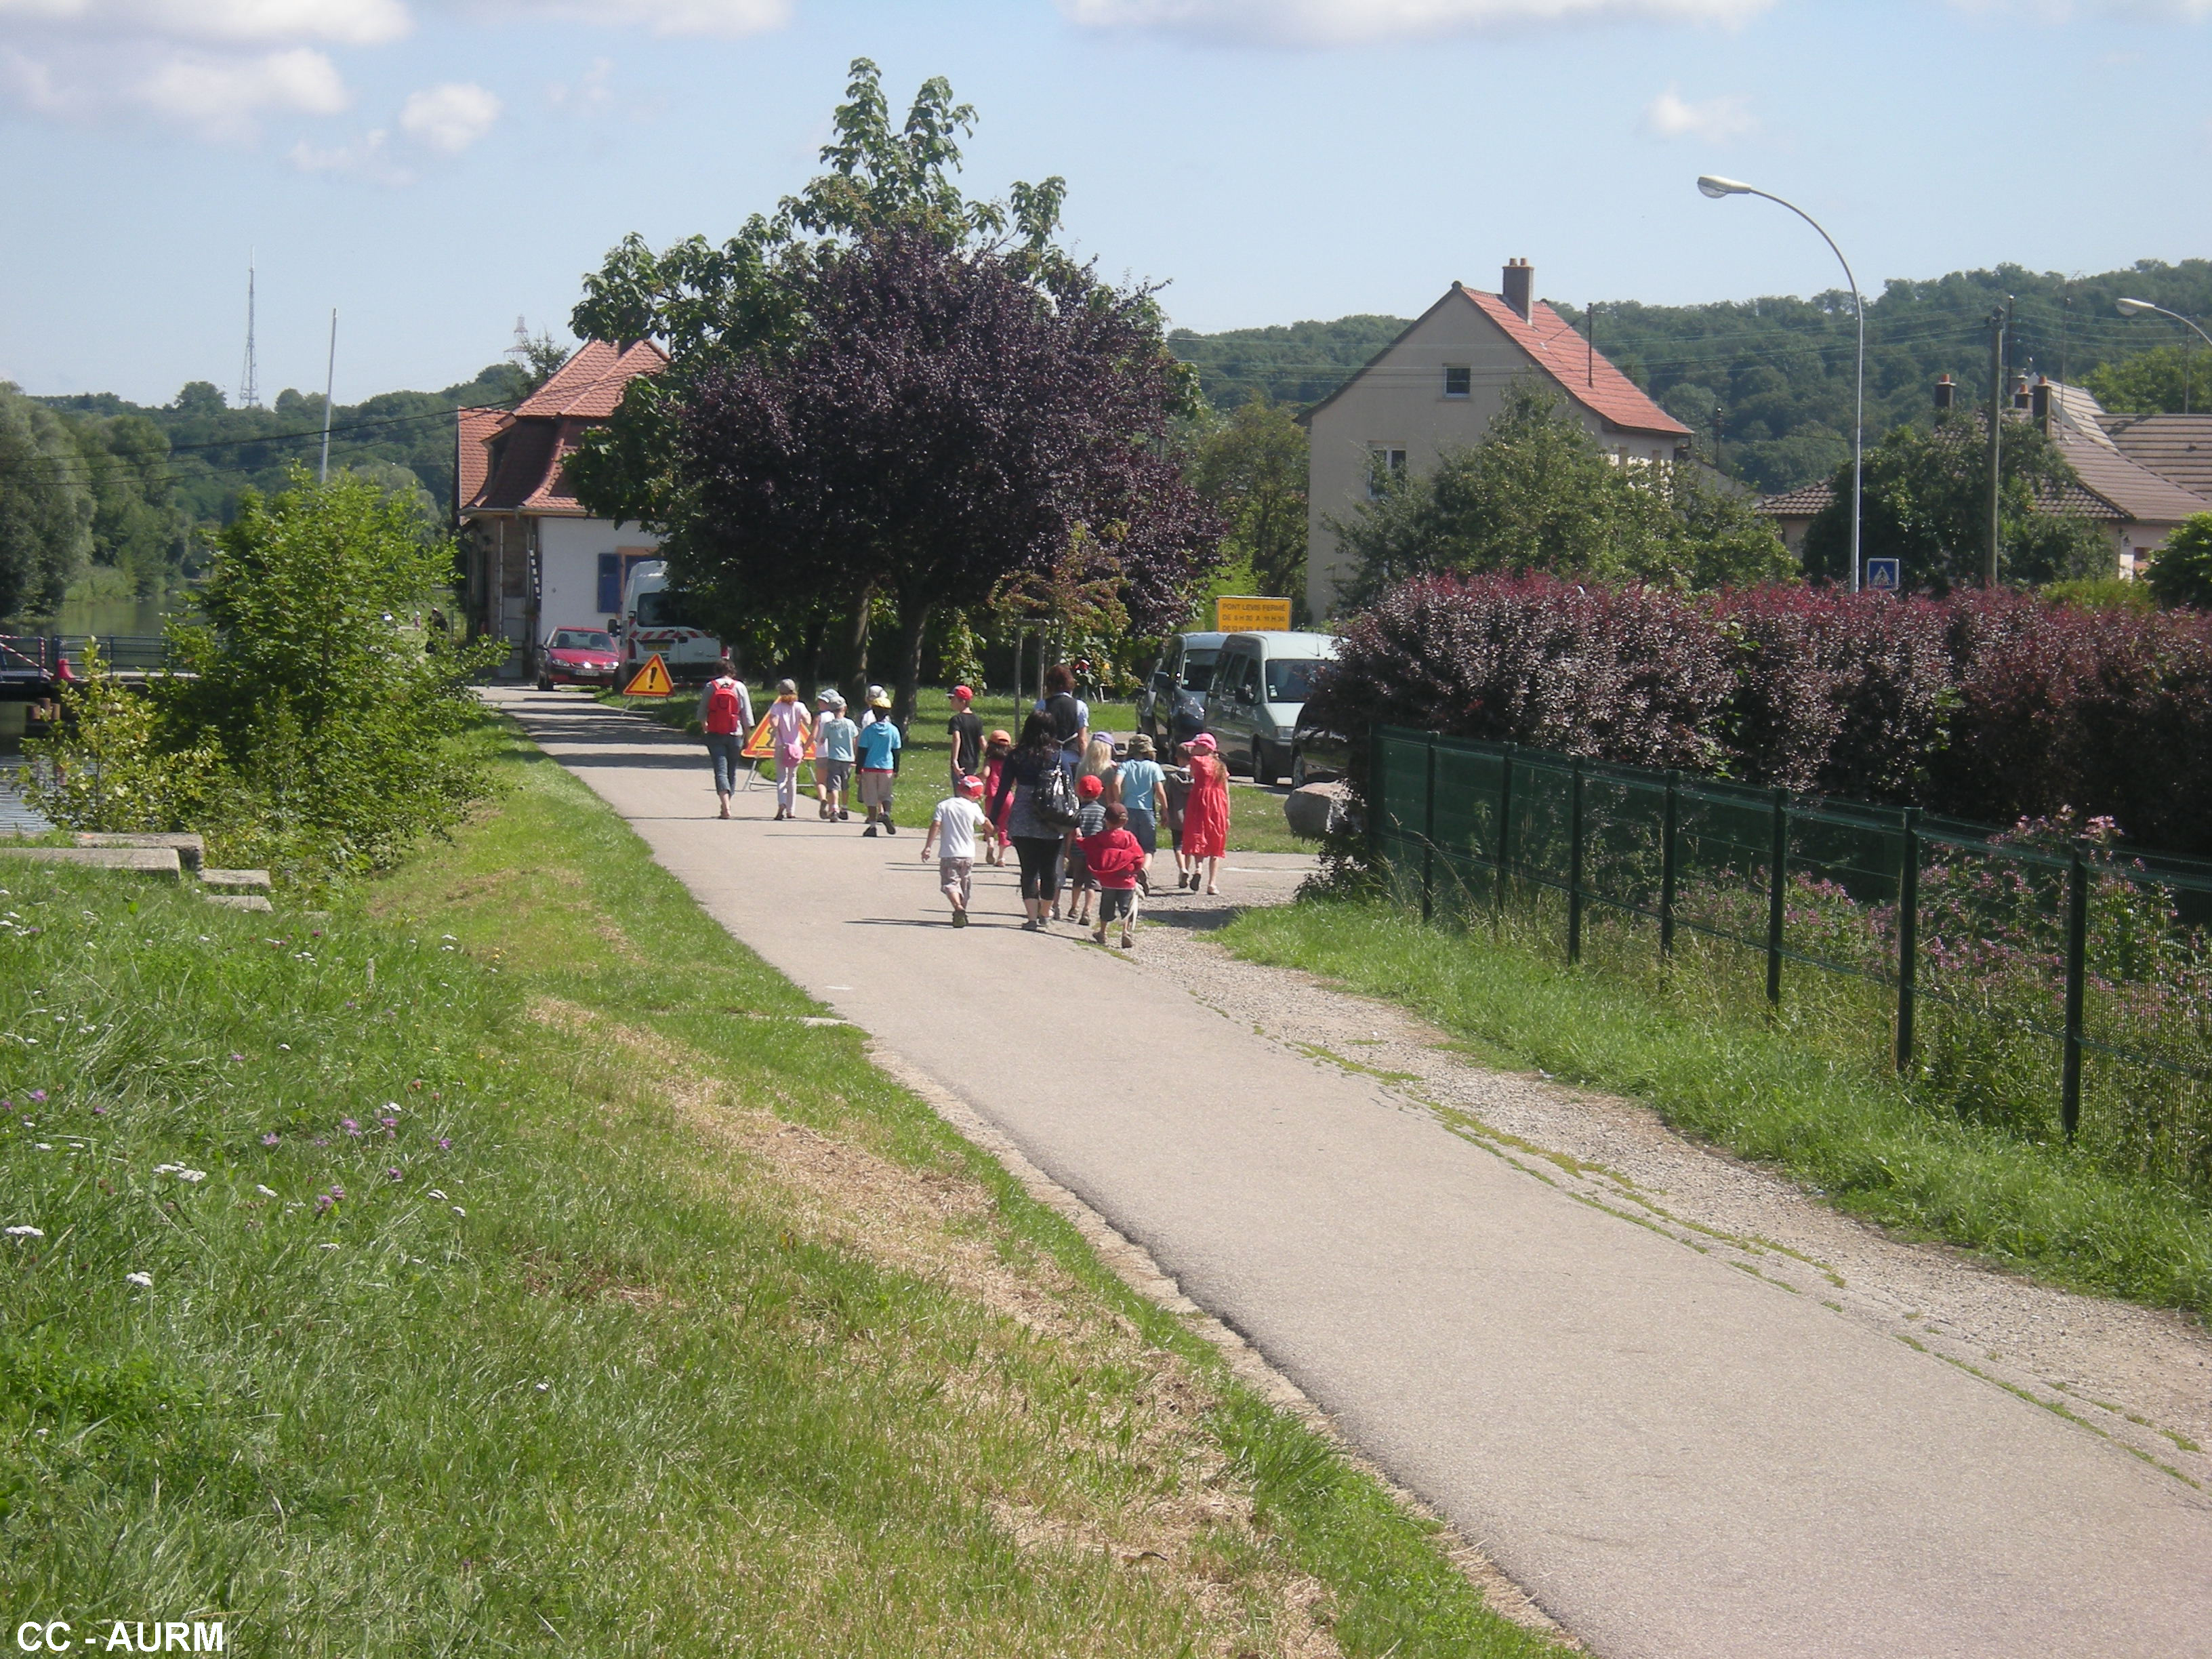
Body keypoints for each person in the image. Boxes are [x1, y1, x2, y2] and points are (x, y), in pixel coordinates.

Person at [989, 715, 1071, 930]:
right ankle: (1046, 913)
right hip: (1052, 817)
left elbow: (1003, 790)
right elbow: (1069, 788)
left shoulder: (1016, 756)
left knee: (1028, 869)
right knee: (1049, 869)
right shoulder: (1058, 756)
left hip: (1024, 815)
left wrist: (994, 818)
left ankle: (1032, 918)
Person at [921, 773, 988, 926]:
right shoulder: (973, 807)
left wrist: (928, 847)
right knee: (964, 886)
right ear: (976, 795)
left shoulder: (944, 805)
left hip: (949, 854)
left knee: (950, 883)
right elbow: (985, 823)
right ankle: (962, 911)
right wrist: (992, 830)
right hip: (968, 855)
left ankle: (958, 908)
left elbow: (936, 825)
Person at [1081, 802, 1147, 949]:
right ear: (1126, 821)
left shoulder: (1102, 837)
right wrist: (1135, 870)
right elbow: (1139, 857)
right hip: (1127, 881)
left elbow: (1088, 844)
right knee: (1126, 908)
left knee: (1106, 907)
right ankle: (1126, 932)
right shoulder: (1129, 838)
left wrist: (1078, 839)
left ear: (1106, 820)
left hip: (1108, 882)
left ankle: (1103, 933)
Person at [701, 657, 754, 821]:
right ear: (732, 672)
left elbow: (702, 713)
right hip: (735, 733)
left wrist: (706, 730)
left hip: (715, 733)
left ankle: (725, 807)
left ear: (717, 671)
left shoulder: (711, 686)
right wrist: (748, 738)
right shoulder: (740, 687)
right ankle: (727, 804)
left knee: (720, 770)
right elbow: (747, 716)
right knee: (731, 771)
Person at [1180, 731, 1230, 895]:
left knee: (1198, 834)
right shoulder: (1221, 766)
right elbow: (1226, 791)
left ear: (1205, 748)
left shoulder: (1196, 761)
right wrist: (1227, 815)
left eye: (1195, 747)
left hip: (1199, 801)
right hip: (1218, 804)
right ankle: (1212, 884)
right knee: (1215, 838)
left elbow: (1193, 775)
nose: (1192, 750)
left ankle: (1199, 867)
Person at [1116, 733, 1166, 883]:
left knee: (1131, 844)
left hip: (1128, 809)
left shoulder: (1126, 766)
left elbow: (1116, 783)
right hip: (1147, 811)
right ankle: (1145, 869)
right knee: (1149, 846)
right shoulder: (1154, 767)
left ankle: (1132, 872)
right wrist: (1165, 810)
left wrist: (1118, 802)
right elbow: (1160, 791)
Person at [1064, 773, 1108, 928]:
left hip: (1077, 851)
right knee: (1092, 884)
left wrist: (1067, 850)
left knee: (1077, 881)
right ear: (1100, 791)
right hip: (1095, 853)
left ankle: (1074, 907)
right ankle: (1087, 911)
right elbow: (1105, 832)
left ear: (1079, 791)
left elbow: (1071, 832)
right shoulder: (1103, 812)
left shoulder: (1077, 811)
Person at [856, 692, 902, 836]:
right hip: (887, 768)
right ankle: (886, 813)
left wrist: (858, 771)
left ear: (874, 712)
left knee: (871, 797)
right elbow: (896, 751)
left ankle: (873, 826)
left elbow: (862, 752)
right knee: (886, 795)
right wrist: (896, 769)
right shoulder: (894, 730)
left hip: (870, 767)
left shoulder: (868, 731)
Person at [764, 679, 811, 822]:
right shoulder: (799, 706)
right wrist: (802, 718)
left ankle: (782, 803)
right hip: (796, 747)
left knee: (781, 777)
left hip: (781, 746)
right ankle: (791, 810)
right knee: (793, 777)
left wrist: (776, 722)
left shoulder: (776, 707)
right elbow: (808, 721)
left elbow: (774, 723)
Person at [815, 691, 856, 821]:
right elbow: (855, 739)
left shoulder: (829, 725)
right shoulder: (850, 724)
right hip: (847, 758)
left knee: (834, 785)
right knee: (845, 784)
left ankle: (834, 809)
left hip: (833, 757)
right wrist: (854, 755)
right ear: (844, 708)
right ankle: (844, 808)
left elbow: (822, 740)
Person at [1038, 663, 1088, 773]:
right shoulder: (1080, 706)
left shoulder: (1041, 706)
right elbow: (1082, 740)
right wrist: (1085, 765)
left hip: (1048, 759)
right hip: (1073, 760)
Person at [979, 729, 1013, 866]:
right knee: (1004, 826)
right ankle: (1001, 858)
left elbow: (986, 774)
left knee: (990, 822)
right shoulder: (1010, 761)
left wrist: (977, 777)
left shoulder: (990, 759)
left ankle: (990, 845)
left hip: (992, 796)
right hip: (1007, 797)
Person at [947, 684, 984, 789]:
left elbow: (957, 738)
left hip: (961, 761)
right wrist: (990, 757)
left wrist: (955, 761)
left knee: (960, 791)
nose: (951, 702)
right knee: (970, 789)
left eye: (953, 699)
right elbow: (982, 741)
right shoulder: (977, 720)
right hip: (973, 761)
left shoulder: (956, 719)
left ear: (962, 701)